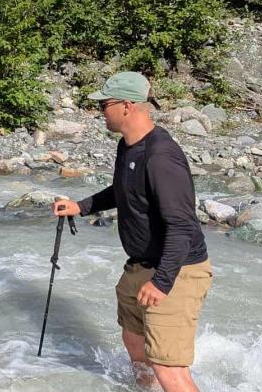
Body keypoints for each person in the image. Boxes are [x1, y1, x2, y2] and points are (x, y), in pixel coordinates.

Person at [52, 72, 212, 392]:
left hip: (176, 271)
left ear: (127, 106)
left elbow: (181, 226)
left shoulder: (161, 156)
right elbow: (124, 189)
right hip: (140, 268)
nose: (101, 112)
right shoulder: (128, 147)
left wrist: (162, 281)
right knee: (135, 346)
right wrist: (81, 206)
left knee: (170, 370)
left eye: (104, 105)